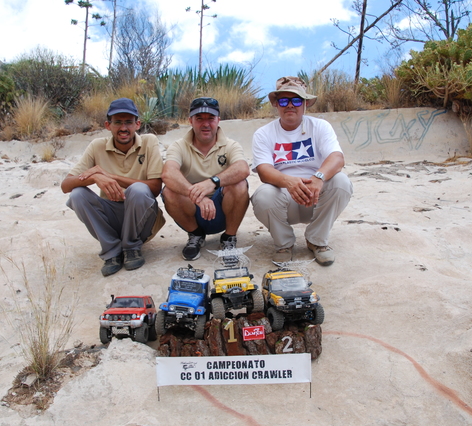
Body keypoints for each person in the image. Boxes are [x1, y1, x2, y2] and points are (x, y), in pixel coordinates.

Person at [251, 76, 353, 266]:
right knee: (262, 195)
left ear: (305, 104)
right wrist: (289, 182)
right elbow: (264, 171)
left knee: (341, 183)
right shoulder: (263, 133)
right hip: (284, 198)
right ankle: (284, 244)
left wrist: (318, 178)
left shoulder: (320, 126)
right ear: (276, 104)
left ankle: (317, 241)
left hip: (316, 196)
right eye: (284, 100)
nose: (290, 105)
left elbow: (337, 158)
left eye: (296, 100)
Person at [61, 98, 165, 276]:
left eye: (128, 122)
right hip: (112, 216)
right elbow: (66, 185)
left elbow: (155, 188)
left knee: (139, 190)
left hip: (141, 219)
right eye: (117, 122)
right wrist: (95, 176)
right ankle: (112, 251)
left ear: (137, 124)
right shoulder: (97, 146)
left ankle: (131, 247)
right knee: (77, 194)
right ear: (108, 125)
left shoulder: (149, 142)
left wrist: (111, 176)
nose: (123, 128)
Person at [162, 97, 250, 261]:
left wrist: (212, 182)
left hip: (222, 211)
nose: (205, 124)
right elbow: (168, 173)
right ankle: (195, 235)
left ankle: (229, 237)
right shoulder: (179, 146)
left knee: (239, 184)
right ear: (190, 121)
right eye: (199, 119)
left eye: (210, 118)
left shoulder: (231, 145)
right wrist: (197, 195)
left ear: (218, 120)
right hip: (192, 212)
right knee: (169, 191)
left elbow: (243, 169)